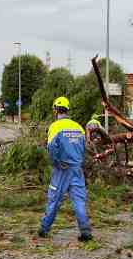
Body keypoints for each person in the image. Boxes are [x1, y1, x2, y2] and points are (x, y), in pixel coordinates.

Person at [39, 97, 93, 241]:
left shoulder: (55, 127)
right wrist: (77, 162)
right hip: (77, 169)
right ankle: (85, 232)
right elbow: (83, 147)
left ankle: (44, 229)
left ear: (56, 110)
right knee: (79, 201)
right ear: (67, 110)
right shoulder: (78, 127)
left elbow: (51, 148)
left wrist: (57, 162)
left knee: (54, 199)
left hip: (62, 169)